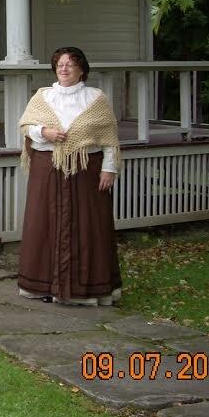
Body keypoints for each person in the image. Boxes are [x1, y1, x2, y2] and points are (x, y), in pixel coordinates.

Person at [17, 46, 122, 306]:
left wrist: (110, 168)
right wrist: (45, 132)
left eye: (70, 64)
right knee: (43, 224)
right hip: (47, 167)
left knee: (90, 227)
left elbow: (109, 139)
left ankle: (88, 290)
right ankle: (42, 286)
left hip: (86, 169)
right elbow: (26, 127)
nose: (64, 68)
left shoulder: (96, 99)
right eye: (60, 64)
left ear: (82, 69)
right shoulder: (43, 97)